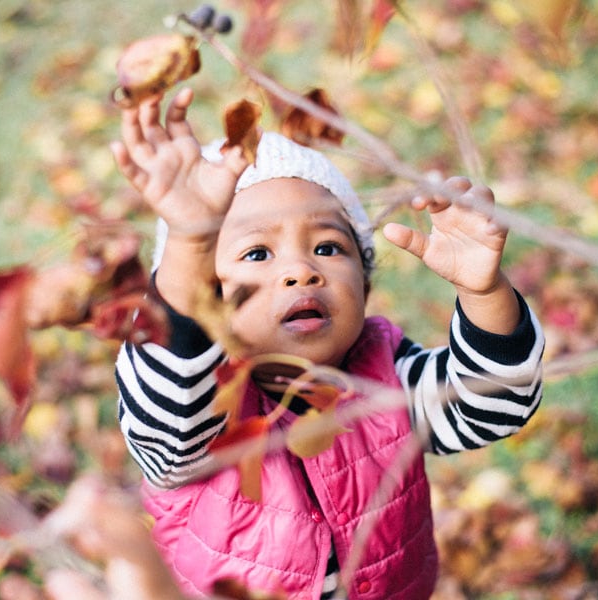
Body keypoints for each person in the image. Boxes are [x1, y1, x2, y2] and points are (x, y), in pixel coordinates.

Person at [110, 87, 544, 600]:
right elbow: (166, 427)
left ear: (364, 280)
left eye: (327, 246)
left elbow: (492, 407)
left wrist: (484, 293)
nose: (300, 270)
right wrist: (189, 242)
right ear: (206, 297)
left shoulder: (382, 372)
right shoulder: (196, 413)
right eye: (256, 254)